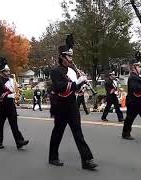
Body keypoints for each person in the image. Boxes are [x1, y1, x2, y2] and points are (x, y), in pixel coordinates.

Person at [48, 35, 97, 170]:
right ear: (62, 57)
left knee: (78, 133)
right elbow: (60, 88)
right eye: (69, 57)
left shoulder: (72, 71)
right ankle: (52, 157)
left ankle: (86, 160)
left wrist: (82, 85)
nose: (71, 59)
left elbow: (75, 88)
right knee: (58, 132)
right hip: (61, 106)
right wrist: (77, 82)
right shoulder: (55, 72)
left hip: (72, 105)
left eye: (71, 56)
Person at [0, 57, 29, 149]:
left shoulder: (12, 80)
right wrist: (11, 94)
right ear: (1, 72)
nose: (8, 73)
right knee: (0, 125)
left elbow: (15, 90)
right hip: (2, 106)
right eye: (6, 71)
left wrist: (17, 92)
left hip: (10, 105)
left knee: (14, 124)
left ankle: (19, 141)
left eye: (8, 71)